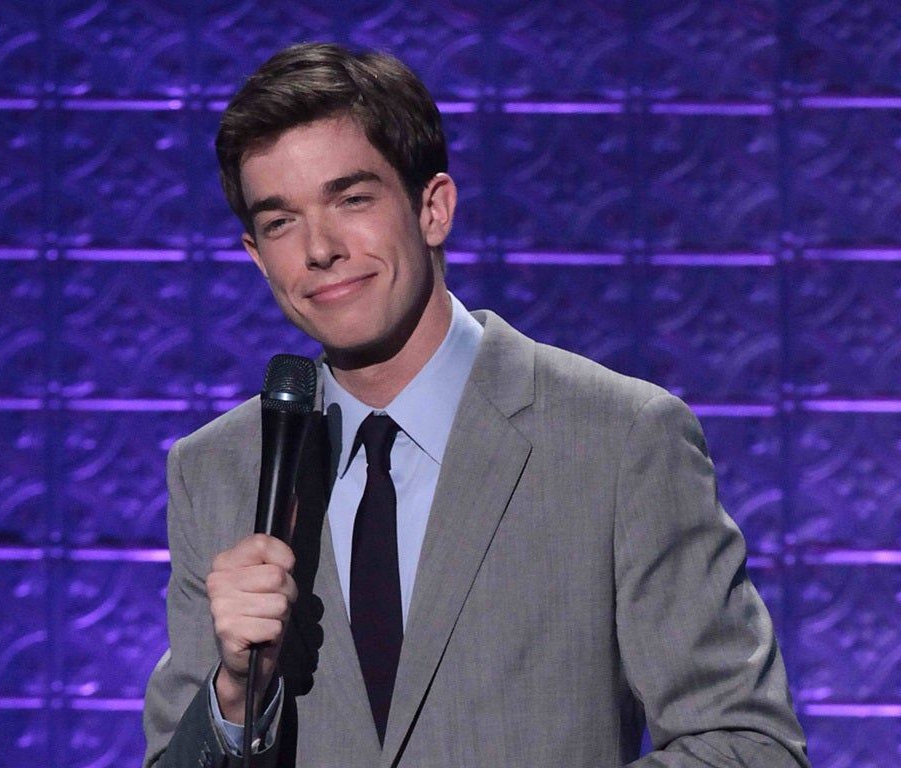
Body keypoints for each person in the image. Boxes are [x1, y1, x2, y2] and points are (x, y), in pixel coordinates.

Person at [143, 43, 810, 767]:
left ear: (433, 208)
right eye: (281, 222)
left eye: (352, 199)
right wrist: (235, 698)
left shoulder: (620, 439)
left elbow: (749, 746)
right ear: (256, 255)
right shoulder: (216, 469)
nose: (320, 248)